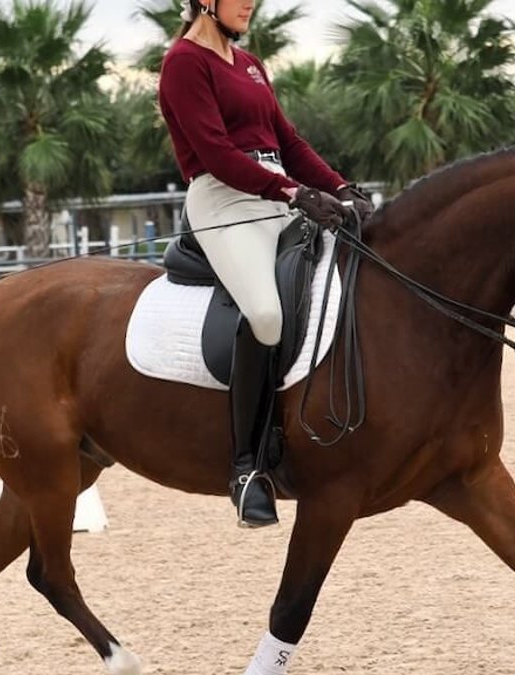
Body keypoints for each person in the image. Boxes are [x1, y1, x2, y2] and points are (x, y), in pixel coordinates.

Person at [158, 0, 374, 528]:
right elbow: (215, 153)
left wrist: (339, 187)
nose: (250, 3)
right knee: (266, 315)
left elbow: (289, 142)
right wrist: (295, 194)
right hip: (223, 200)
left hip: (276, 197)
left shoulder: (250, 63)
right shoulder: (185, 63)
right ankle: (247, 467)